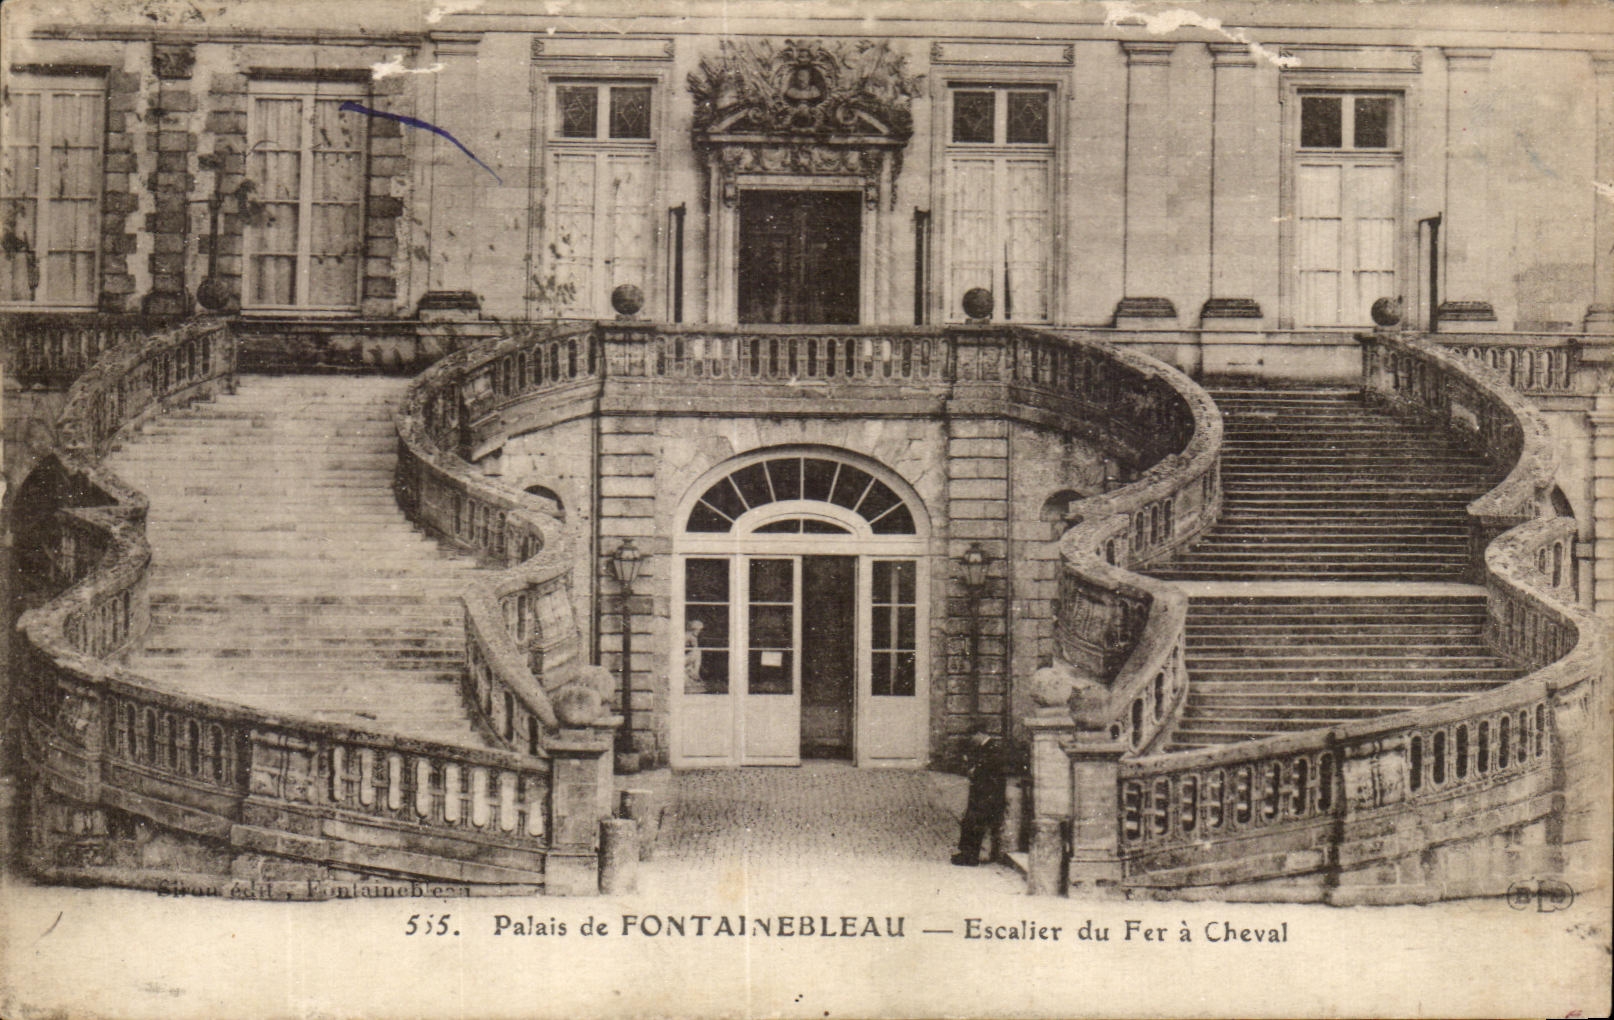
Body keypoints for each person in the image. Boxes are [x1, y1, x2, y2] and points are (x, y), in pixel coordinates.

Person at [952, 725, 1007, 866]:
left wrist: (975, 771)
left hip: (987, 796)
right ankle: (966, 854)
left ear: (979, 734)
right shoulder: (986, 748)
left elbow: (990, 771)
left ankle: (970, 856)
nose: (972, 741)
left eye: (972, 737)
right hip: (982, 794)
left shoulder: (992, 748)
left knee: (975, 823)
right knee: (970, 822)